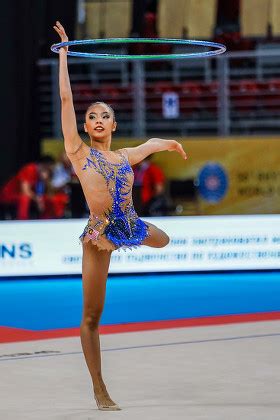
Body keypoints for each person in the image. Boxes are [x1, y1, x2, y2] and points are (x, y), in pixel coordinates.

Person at [53, 21, 187, 411]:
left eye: (104, 115)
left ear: (113, 125)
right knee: (92, 315)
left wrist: (170, 144)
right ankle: (99, 388)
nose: (97, 119)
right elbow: (64, 100)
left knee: (164, 239)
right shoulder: (79, 153)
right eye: (91, 115)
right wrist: (64, 54)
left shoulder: (125, 155)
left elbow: (150, 144)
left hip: (128, 225)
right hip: (99, 235)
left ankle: (125, 235)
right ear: (85, 125)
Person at [0, 155, 55, 220]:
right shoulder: (29, 169)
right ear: (45, 165)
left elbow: (49, 192)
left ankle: (46, 221)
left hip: (24, 195)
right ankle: (22, 221)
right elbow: (25, 191)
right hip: (8, 195)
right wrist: (37, 199)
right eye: (50, 167)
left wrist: (45, 180)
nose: (51, 170)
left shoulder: (44, 174)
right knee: (25, 198)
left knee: (49, 199)